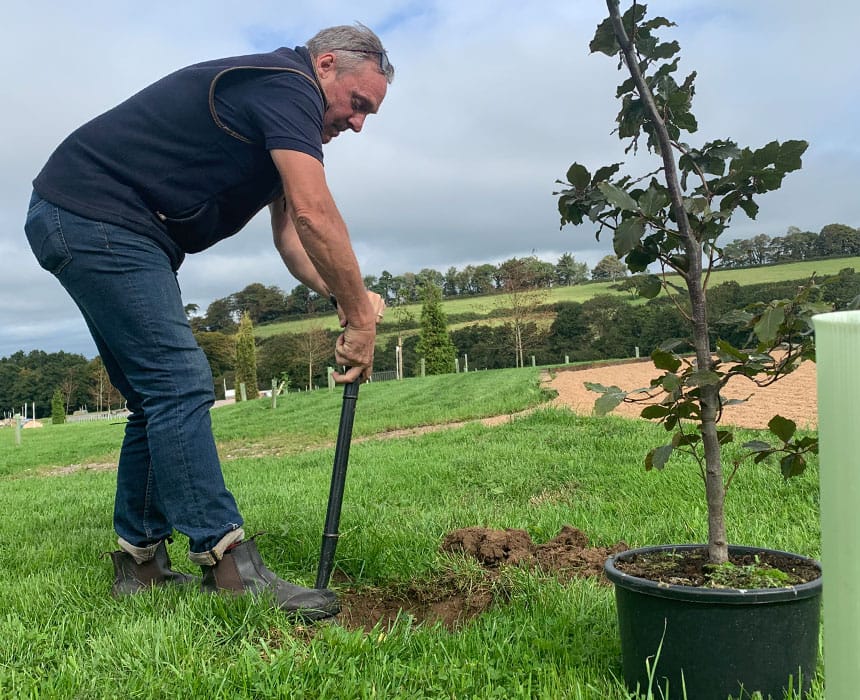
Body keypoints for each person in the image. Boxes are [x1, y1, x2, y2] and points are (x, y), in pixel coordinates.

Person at [24, 23, 393, 620]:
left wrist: (344, 294)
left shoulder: (287, 109)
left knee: (155, 397)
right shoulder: (287, 85)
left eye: (368, 114)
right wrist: (358, 318)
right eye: (358, 104)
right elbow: (314, 210)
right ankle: (227, 563)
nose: (358, 123)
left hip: (82, 216)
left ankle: (139, 565)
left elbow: (293, 237)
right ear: (326, 65)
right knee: (179, 383)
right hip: (98, 217)